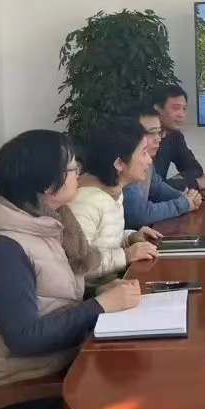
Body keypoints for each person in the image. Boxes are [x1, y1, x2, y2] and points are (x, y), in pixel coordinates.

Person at [0, 129, 141, 393]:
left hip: (50, 366)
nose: (79, 173)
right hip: (12, 393)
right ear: (49, 185)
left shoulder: (43, 224)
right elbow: (25, 339)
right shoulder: (2, 250)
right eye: (73, 168)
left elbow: (49, 295)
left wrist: (98, 292)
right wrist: (99, 306)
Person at [69, 117, 163, 284]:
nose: (149, 160)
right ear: (119, 163)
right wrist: (126, 255)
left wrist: (130, 237)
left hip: (114, 286)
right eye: (143, 152)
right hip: (94, 295)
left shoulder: (113, 192)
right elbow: (76, 265)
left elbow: (103, 242)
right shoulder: (84, 202)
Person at [122, 106, 202, 229]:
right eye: (152, 133)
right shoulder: (127, 167)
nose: (159, 139)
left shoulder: (147, 162)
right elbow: (139, 215)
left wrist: (186, 197)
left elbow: (157, 188)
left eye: (159, 132)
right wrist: (183, 204)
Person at [152, 84, 205, 190]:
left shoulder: (174, 135)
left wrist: (179, 182)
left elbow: (195, 169)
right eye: (176, 108)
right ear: (157, 109)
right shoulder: (140, 139)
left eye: (184, 109)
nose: (181, 114)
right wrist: (196, 184)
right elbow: (148, 189)